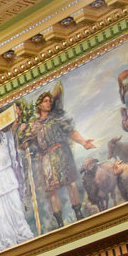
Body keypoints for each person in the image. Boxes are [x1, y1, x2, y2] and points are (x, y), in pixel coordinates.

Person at [20, 85, 95, 226]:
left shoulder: (57, 118)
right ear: (39, 105)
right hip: (47, 158)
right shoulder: (34, 125)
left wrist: (84, 142)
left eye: (50, 101)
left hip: (62, 153)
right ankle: (60, 222)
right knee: (52, 191)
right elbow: (24, 144)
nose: (48, 103)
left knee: (70, 184)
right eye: (45, 101)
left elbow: (71, 132)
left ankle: (78, 213)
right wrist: (22, 132)